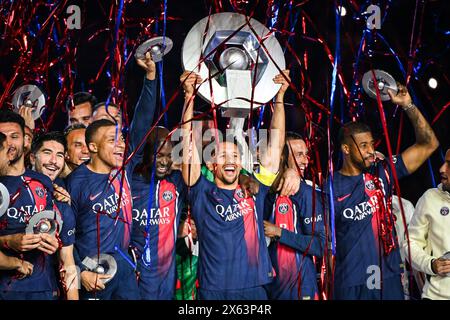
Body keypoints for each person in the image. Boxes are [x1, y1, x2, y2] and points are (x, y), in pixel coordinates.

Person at [180, 71, 286, 300]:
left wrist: (279, 98)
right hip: (213, 291)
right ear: (210, 163)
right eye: (223, 156)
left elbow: (275, 146)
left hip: (255, 289)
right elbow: (187, 146)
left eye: (235, 156)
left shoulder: (254, 190)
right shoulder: (201, 193)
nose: (230, 161)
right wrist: (189, 97)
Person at [331, 84, 439, 300]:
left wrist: (408, 105)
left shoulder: (383, 172)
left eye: (372, 144)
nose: (371, 151)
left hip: (389, 281)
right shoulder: (329, 188)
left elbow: (429, 144)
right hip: (351, 285)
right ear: (346, 149)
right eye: (363, 146)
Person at [66, 52, 157, 300]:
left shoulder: (124, 168)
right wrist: (79, 271)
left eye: (122, 139)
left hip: (125, 268)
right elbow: (62, 236)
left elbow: (142, 121)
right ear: (92, 147)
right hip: (93, 272)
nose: (120, 145)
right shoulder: (76, 183)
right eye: (111, 140)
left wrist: (150, 76)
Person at [0, 110, 60, 300]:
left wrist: (53, 240)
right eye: (4, 138)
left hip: (42, 284)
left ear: (26, 140)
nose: (9, 143)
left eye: (14, 136)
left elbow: (51, 224)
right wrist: (10, 241)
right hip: (5, 288)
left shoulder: (42, 181)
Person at [264, 134, 326, 300]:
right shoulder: (265, 192)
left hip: (302, 288)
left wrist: (279, 233)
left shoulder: (308, 192)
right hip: (270, 287)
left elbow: (321, 246)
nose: (306, 161)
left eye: (306, 154)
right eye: (299, 154)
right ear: (282, 156)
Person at [131, 126, 186, 299]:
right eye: (159, 155)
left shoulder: (177, 181)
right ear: (147, 154)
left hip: (166, 280)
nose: (164, 162)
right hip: (135, 276)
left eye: (169, 156)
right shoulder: (129, 182)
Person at [29, 132, 79, 299]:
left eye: (59, 155)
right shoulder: (9, 191)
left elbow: (68, 263)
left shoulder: (62, 201)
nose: (53, 161)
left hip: (48, 291)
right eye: (47, 152)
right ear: (31, 158)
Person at [403, 148, 450, 300]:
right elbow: (410, 244)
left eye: (449, 164)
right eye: (444, 163)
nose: (442, 169)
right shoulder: (430, 198)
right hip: (436, 296)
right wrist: (431, 264)